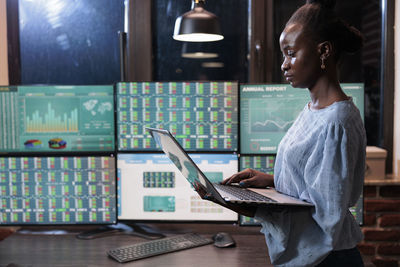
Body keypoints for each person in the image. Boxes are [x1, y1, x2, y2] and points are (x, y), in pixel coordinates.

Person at [198, 0, 366, 266]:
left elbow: (325, 220)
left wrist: (248, 206)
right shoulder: (314, 109)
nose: (284, 65)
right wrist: (273, 180)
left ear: (323, 51)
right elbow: (313, 189)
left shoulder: (337, 122)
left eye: (291, 53)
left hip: (329, 260)